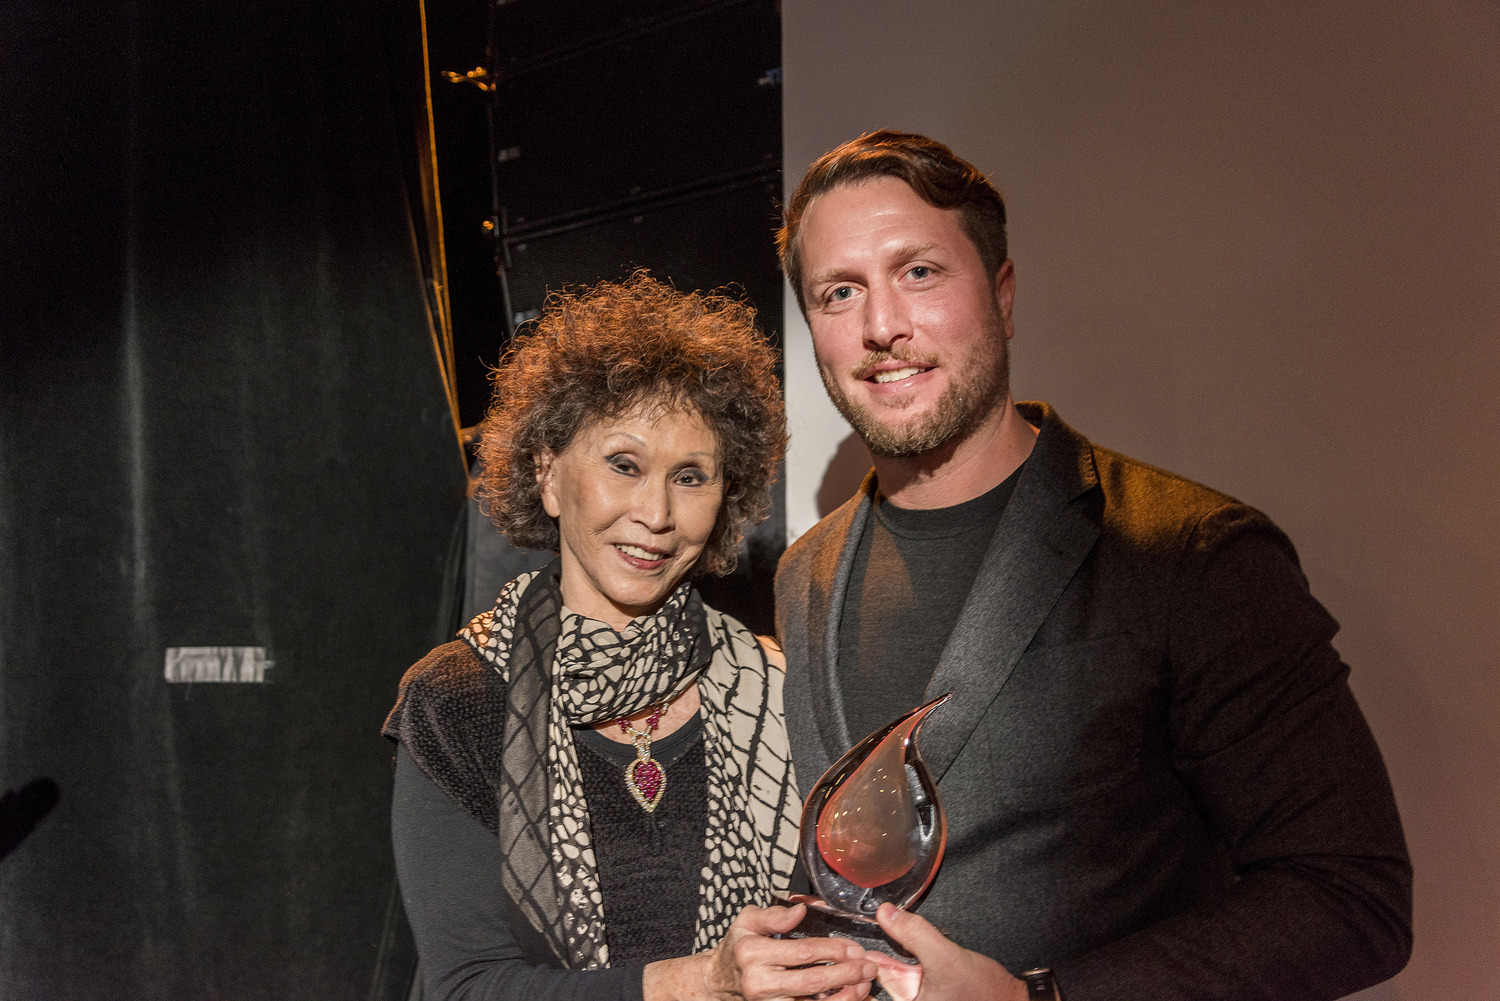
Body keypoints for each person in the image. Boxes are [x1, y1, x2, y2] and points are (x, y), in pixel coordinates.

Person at [771, 131, 1412, 1001]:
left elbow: (1352, 896)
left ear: (1001, 295)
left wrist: (1044, 998)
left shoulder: (1192, 554)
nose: (882, 326)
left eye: (919, 272)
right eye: (839, 292)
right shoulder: (803, 574)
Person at [384, 273, 878, 1001]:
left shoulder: (777, 685)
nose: (656, 513)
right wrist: (703, 981)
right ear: (549, 474)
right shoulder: (454, 699)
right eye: (624, 464)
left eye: (691, 476)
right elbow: (467, 988)